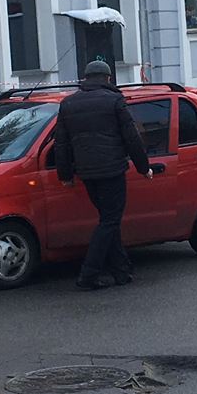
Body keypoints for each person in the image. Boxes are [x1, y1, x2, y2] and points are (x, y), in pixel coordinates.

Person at [55, 60, 152, 291]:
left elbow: (62, 144)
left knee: (109, 220)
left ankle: (121, 271)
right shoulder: (115, 100)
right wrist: (143, 167)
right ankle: (89, 273)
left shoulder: (68, 104)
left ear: (86, 78)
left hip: (86, 173)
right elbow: (132, 138)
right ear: (108, 78)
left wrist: (65, 174)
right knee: (109, 221)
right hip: (112, 171)